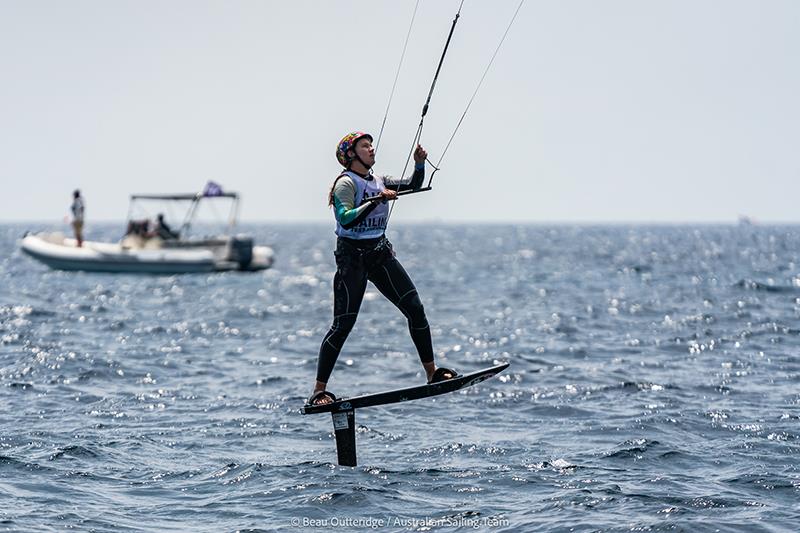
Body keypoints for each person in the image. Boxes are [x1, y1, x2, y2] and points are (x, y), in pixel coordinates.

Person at [307, 131, 456, 407]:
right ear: (351, 155)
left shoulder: (380, 181)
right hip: (352, 260)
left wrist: (419, 164)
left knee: (415, 308)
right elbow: (346, 218)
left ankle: (432, 373)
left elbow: (413, 184)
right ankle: (319, 391)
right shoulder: (345, 183)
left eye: (371, 145)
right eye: (365, 146)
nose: (372, 149)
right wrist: (375, 201)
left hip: (379, 255)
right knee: (343, 325)